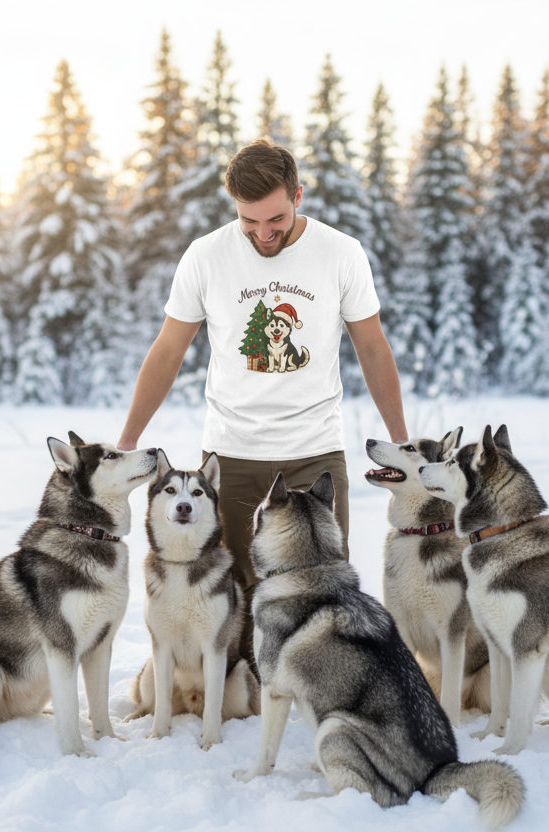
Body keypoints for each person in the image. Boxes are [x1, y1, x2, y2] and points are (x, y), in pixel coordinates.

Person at [117, 138, 408, 669]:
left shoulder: (340, 253)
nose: (263, 233)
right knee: (235, 598)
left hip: (314, 453)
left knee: (323, 593)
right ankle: (243, 698)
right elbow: (168, 350)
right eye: (249, 221)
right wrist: (128, 441)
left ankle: (324, 692)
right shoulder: (206, 256)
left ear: (298, 195)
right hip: (231, 457)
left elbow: (372, 346)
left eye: (275, 219)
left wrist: (401, 441)